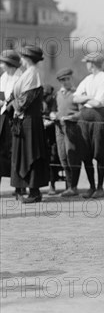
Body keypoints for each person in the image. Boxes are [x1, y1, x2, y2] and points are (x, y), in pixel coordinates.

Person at [9, 46, 50, 203]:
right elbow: (15, 96)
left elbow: (23, 102)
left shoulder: (33, 74)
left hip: (30, 121)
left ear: (26, 58)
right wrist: (12, 100)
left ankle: (34, 191)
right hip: (23, 120)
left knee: (31, 153)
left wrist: (13, 102)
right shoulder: (27, 73)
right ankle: (24, 188)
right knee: (22, 153)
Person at [73, 53, 104, 199]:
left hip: (99, 118)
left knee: (99, 151)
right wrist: (90, 97)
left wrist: (86, 98)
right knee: (86, 152)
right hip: (85, 118)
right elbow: (75, 97)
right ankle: (91, 186)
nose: (86, 65)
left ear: (92, 64)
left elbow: (98, 103)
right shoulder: (87, 79)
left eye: (88, 62)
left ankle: (100, 186)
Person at [52, 68, 86, 197]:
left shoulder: (76, 93)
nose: (66, 82)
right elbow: (54, 109)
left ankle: (73, 186)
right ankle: (69, 186)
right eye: (63, 80)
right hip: (59, 128)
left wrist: (72, 117)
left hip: (72, 127)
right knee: (62, 157)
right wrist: (52, 114)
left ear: (71, 79)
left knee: (73, 156)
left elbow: (82, 112)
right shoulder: (58, 94)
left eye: (67, 79)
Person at [0, 50, 22, 187]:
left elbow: (18, 100)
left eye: (3, 63)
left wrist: (7, 104)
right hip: (2, 118)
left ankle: (19, 186)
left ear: (10, 64)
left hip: (14, 119)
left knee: (15, 152)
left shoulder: (20, 78)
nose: (2, 65)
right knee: (1, 152)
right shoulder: (3, 78)